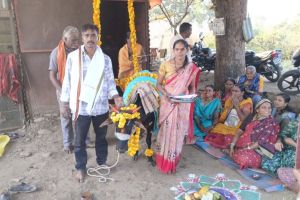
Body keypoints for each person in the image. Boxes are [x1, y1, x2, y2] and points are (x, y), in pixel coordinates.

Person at [60, 23, 123, 182]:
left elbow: (110, 82)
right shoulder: (73, 58)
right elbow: (67, 82)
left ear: (98, 37)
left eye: (93, 35)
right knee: (79, 140)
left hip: (100, 106)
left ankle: (101, 162)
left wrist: (116, 96)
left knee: (101, 138)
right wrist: (64, 102)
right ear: (82, 38)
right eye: (87, 35)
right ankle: (81, 167)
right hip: (81, 107)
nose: (90, 38)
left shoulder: (105, 59)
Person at [156, 39, 200, 174]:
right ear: (173, 50)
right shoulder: (165, 65)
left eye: (182, 49)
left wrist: (191, 97)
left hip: (182, 105)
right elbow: (158, 85)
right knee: (167, 132)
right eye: (177, 49)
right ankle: (163, 161)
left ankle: (172, 163)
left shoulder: (191, 68)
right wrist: (167, 95)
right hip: (167, 103)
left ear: (187, 50)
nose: (179, 52)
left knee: (178, 133)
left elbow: (192, 88)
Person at [49, 26, 79, 153]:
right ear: (64, 39)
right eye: (73, 40)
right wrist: (63, 92)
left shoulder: (79, 51)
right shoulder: (56, 53)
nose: (76, 43)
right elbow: (52, 76)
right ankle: (67, 143)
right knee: (66, 116)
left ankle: (83, 140)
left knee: (80, 115)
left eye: (77, 40)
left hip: (78, 89)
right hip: (62, 90)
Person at [229, 99, 280, 169]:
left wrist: (246, 148)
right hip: (241, 144)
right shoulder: (251, 117)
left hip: (256, 150)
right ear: (257, 110)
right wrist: (232, 146)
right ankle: (234, 150)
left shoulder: (270, 123)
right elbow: (239, 131)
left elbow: (260, 142)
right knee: (228, 140)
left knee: (244, 159)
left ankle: (237, 152)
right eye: (264, 107)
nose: (267, 110)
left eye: (269, 108)